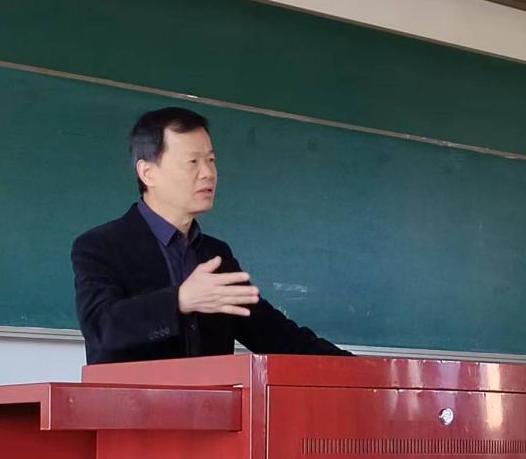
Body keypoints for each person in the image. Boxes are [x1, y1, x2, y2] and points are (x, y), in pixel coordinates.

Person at [71, 107, 349, 364]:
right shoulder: (100, 246)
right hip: (131, 402)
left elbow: (274, 334)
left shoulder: (215, 255)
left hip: (212, 402)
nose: (208, 173)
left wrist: (358, 368)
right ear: (147, 173)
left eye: (211, 160)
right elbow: (100, 329)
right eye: (192, 162)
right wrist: (179, 300)